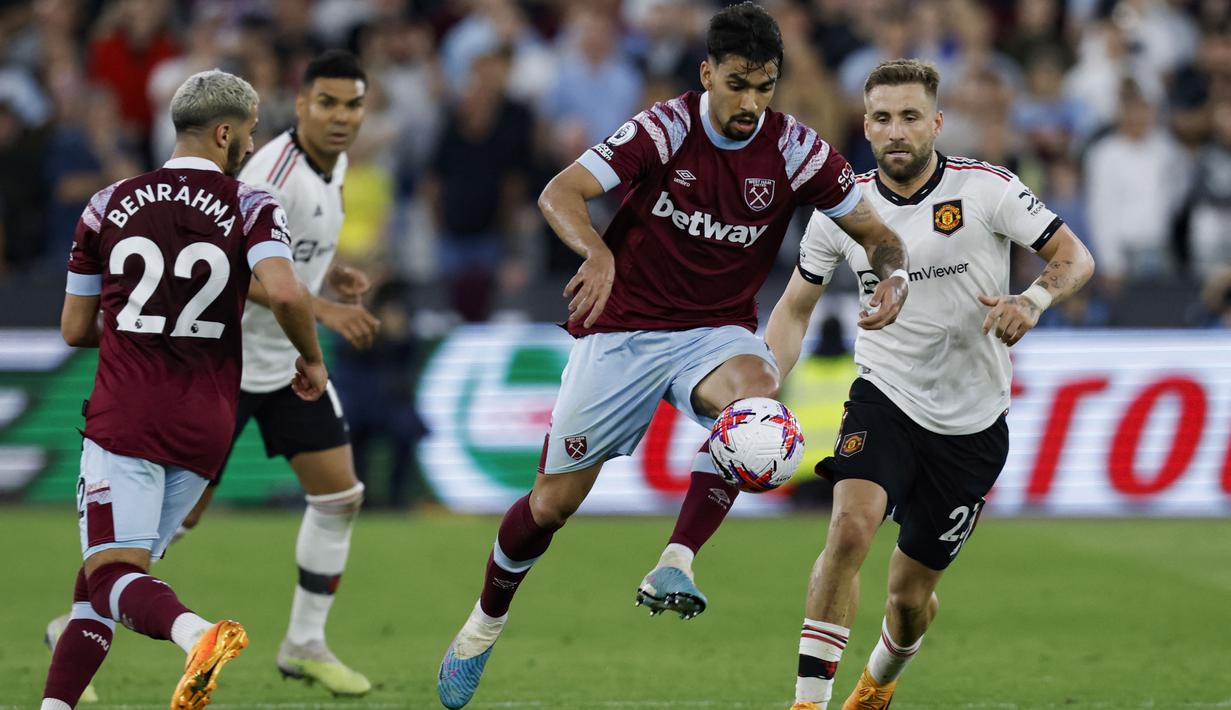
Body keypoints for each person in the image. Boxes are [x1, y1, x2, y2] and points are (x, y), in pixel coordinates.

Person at [436, 4, 910, 708]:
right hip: (621, 329)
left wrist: (892, 273)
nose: (751, 102)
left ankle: (675, 561)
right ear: (706, 73)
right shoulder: (664, 127)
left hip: (713, 333)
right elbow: (558, 190)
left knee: (762, 417)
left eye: (765, 86)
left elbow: (876, 233)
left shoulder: (794, 150)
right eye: (738, 83)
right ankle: (482, 625)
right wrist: (596, 252)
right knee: (550, 505)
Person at [763, 60, 1094, 710]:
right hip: (883, 395)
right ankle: (806, 702)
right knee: (849, 530)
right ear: (865, 125)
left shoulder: (987, 190)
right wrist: (759, 385)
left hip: (970, 425)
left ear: (935, 122)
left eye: (909, 116)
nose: (895, 131)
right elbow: (792, 309)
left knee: (908, 598)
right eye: (882, 118)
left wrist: (1030, 301)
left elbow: (1073, 256)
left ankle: (878, 683)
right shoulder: (840, 211)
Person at [40, 69, 327, 710]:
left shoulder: (106, 203)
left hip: (128, 414)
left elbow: (73, 328)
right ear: (224, 133)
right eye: (248, 135)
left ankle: (196, 633)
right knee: (106, 579)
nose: (250, 148)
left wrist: (139, 333)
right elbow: (283, 290)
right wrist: (312, 359)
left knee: (111, 573)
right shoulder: (252, 205)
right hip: (206, 424)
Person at [180, 49, 377, 695]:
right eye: (328, 102)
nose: (341, 116)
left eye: (352, 104)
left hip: (286, 367)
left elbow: (295, 254)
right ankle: (76, 628)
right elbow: (232, 268)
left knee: (339, 496)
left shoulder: (335, 163)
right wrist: (319, 304)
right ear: (300, 104)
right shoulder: (270, 171)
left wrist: (329, 276)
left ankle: (304, 644)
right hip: (226, 363)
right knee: (174, 519)